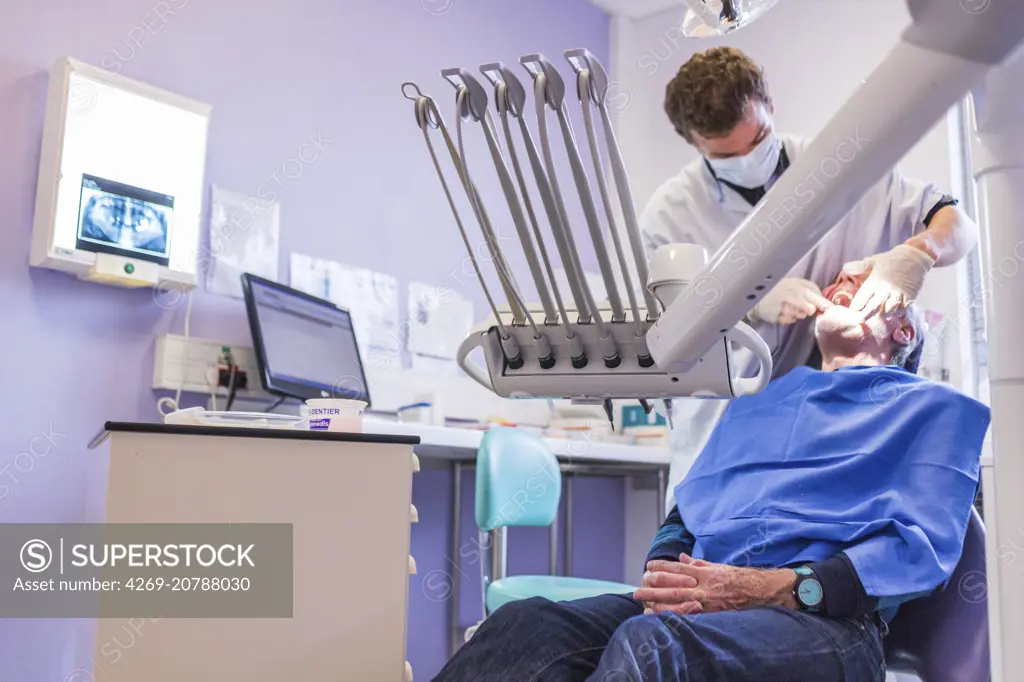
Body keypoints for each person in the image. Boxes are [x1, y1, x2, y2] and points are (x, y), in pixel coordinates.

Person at [430, 270, 990, 682]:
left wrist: (778, 589)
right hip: (707, 602)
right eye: (842, 279)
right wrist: (669, 573)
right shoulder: (763, 399)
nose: (844, 284)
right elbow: (689, 511)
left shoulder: (937, 410)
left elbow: (920, 550)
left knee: (651, 649)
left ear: (904, 333)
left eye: (865, 285)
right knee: (527, 626)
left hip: (831, 627)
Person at [641, 46, 980, 514]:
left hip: (813, 468)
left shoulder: (836, 169)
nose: (747, 158)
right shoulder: (670, 214)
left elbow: (957, 222)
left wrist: (918, 252)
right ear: (695, 143)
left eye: (758, 138)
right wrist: (744, 301)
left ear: (769, 107)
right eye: (726, 154)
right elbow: (668, 340)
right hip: (717, 458)